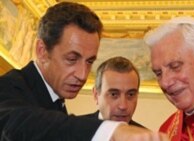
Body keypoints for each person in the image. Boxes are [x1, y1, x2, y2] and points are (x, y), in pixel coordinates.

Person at [0, 2, 169, 141]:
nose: (82, 75)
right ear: (42, 51)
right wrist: (112, 131)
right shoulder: (9, 87)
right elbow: (19, 123)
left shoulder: (56, 102)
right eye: (72, 59)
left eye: (89, 61)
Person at [86, 56, 144, 128]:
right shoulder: (74, 131)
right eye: (113, 94)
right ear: (96, 95)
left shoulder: (146, 137)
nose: (123, 106)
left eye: (131, 94)